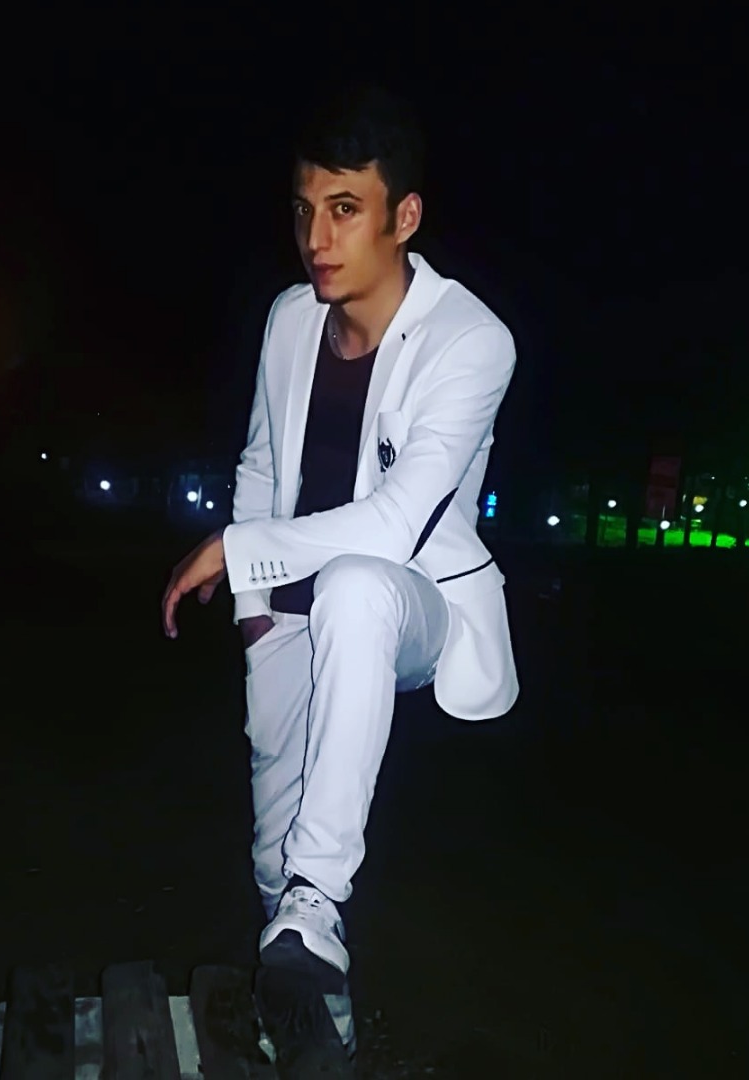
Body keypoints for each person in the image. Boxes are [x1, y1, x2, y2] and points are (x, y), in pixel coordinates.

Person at [161, 83, 519, 1000]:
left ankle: (320, 892)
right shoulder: (290, 319)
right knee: (271, 853)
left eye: (345, 209)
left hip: (413, 600)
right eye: (303, 210)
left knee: (358, 584)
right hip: (285, 611)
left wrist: (234, 553)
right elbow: (258, 464)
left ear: (405, 217)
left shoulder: (470, 341)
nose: (316, 238)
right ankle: (307, 980)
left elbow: (397, 523)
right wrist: (253, 615)